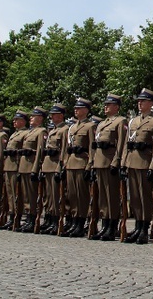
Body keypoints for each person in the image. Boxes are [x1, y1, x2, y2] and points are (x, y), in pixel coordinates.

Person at [121, 89, 153, 244]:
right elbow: (126, 144)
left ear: (151, 103)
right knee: (135, 198)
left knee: (145, 197)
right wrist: (123, 163)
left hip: (145, 163)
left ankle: (145, 227)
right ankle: (138, 225)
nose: (140, 103)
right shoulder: (133, 121)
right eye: (139, 101)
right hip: (132, 162)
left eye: (143, 101)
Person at [91, 94, 127, 241]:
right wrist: (93, 163)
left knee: (111, 196)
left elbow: (121, 143)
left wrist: (116, 161)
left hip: (110, 162)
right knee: (103, 198)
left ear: (116, 107)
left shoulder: (120, 121)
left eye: (109, 105)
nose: (105, 107)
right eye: (105, 104)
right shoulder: (101, 123)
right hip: (99, 162)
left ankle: (112, 226)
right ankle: (105, 224)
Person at [61, 98, 96, 238]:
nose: (76, 110)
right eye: (75, 108)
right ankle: (74, 222)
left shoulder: (90, 126)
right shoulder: (72, 127)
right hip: (71, 163)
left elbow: (92, 148)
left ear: (86, 110)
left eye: (79, 108)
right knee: (72, 195)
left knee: (82, 196)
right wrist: (64, 163)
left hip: (82, 163)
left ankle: (81, 223)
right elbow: (66, 148)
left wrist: (89, 165)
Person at [37, 104, 68, 235]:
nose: (51, 117)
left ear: (60, 115)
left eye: (54, 114)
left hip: (55, 164)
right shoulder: (54, 130)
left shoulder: (64, 129)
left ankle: (56, 221)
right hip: (47, 165)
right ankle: (49, 220)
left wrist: (60, 167)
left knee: (56, 196)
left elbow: (63, 150)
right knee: (48, 196)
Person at [16, 107, 47, 233]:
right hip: (24, 166)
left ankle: (32, 218)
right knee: (26, 196)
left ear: (40, 118)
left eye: (33, 116)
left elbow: (40, 151)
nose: (31, 118)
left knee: (32, 195)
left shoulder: (41, 132)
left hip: (31, 166)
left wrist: (35, 168)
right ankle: (28, 218)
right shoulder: (29, 132)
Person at [0, 111, 29, 230]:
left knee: (18, 195)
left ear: (23, 121)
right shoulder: (13, 134)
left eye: (16, 120)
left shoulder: (25, 133)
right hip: (8, 166)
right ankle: (11, 216)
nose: (14, 122)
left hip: (17, 166)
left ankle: (18, 217)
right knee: (10, 194)